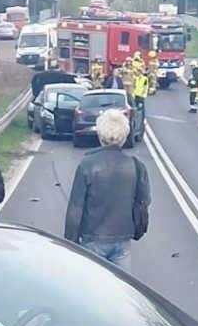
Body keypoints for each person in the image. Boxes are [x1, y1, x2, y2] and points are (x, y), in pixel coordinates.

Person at [63, 109, 151, 269]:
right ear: (124, 136)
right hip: (123, 238)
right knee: (120, 289)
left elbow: (75, 210)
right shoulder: (136, 166)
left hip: (92, 240)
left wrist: (70, 244)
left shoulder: (87, 165)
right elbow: (145, 200)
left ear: (100, 135)